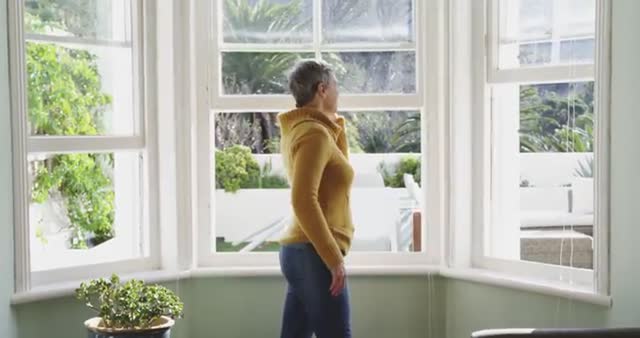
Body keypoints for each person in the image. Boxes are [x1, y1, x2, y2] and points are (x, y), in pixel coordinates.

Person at [277, 59, 355, 338]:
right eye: (336, 87)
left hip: (303, 252)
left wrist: (336, 124)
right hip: (313, 254)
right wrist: (333, 259)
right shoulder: (314, 134)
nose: (339, 93)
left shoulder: (309, 129)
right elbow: (303, 200)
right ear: (322, 89)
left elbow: (338, 168)